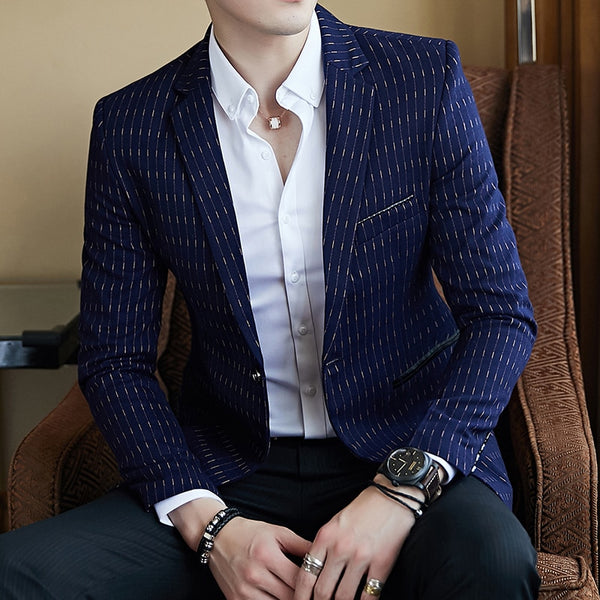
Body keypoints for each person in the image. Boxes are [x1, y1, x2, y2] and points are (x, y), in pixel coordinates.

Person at [0, 1, 540, 598]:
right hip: (229, 468)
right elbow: (115, 361)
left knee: (493, 560)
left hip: (405, 447)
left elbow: (499, 314)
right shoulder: (132, 125)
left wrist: (402, 489)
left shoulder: (419, 78)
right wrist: (210, 527)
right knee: (15, 576)